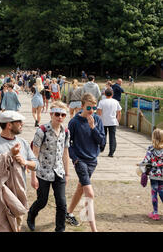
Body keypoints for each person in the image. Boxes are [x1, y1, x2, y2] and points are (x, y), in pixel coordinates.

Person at [0, 111, 38, 232]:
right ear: (9, 125)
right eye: (19, 122)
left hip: (18, 194)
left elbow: (36, 164)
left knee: (16, 227)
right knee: (0, 226)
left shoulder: (23, 142)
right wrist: (10, 154)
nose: (22, 124)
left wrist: (25, 162)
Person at [27, 101, 70, 232]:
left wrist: (67, 173)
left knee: (62, 203)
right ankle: (31, 215)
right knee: (42, 201)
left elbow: (65, 152)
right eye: (57, 114)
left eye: (63, 115)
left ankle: (60, 229)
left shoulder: (66, 132)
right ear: (51, 114)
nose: (60, 117)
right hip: (42, 172)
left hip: (59, 171)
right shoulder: (42, 131)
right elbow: (34, 154)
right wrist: (33, 177)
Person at [65, 93, 106, 232]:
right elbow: (68, 144)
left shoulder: (97, 120)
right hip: (80, 160)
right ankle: (94, 229)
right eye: (89, 107)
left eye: (94, 108)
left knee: (81, 187)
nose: (91, 111)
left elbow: (102, 142)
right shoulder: (74, 122)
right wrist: (75, 159)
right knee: (90, 193)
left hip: (92, 160)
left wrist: (93, 127)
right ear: (82, 106)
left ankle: (68, 212)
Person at [139, 128, 163, 220]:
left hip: (154, 175)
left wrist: (141, 167)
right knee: (161, 191)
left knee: (154, 193)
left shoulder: (151, 149)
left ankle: (155, 213)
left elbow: (145, 161)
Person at [97, 88, 122, 157]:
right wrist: (118, 120)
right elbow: (119, 112)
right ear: (112, 94)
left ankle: (101, 148)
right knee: (112, 137)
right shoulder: (116, 102)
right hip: (113, 121)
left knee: (103, 135)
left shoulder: (101, 102)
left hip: (103, 121)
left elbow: (99, 112)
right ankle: (111, 152)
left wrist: (98, 120)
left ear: (105, 94)